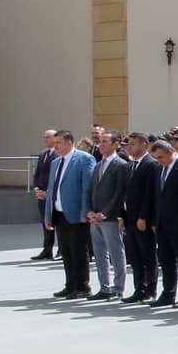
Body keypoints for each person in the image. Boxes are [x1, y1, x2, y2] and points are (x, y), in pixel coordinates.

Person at [45, 131, 95, 299]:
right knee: (65, 250)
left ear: (69, 143)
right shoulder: (55, 162)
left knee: (78, 250)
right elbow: (52, 189)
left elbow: (87, 188)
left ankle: (82, 286)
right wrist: (48, 214)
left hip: (76, 213)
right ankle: (70, 284)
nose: (55, 145)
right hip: (59, 212)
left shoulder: (84, 159)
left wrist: (85, 211)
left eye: (58, 142)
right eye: (54, 142)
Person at [86, 136, 131, 301]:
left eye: (105, 142)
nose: (101, 145)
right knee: (99, 253)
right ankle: (104, 287)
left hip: (109, 217)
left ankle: (118, 287)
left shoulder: (121, 165)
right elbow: (90, 190)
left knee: (115, 252)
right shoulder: (98, 165)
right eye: (100, 142)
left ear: (116, 144)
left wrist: (104, 213)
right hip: (95, 218)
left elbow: (119, 193)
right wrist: (89, 211)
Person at [151, 139, 178, 307]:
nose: (159, 161)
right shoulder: (159, 169)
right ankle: (168, 292)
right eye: (156, 158)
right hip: (162, 223)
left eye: (161, 157)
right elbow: (157, 196)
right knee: (166, 259)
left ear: (170, 152)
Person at [122, 133, 161, 302]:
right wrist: (120, 216)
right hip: (129, 218)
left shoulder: (151, 164)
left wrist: (144, 217)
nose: (128, 147)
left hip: (142, 219)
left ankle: (150, 290)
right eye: (128, 143)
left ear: (144, 145)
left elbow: (149, 194)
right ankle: (139, 289)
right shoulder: (131, 165)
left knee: (148, 255)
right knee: (135, 256)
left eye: (132, 143)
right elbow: (125, 194)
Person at [30, 129, 58, 262]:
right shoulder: (42, 154)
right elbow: (37, 174)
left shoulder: (58, 154)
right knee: (45, 222)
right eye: (44, 137)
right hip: (41, 195)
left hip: (52, 195)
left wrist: (48, 192)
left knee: (57, 222)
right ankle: (47, 250)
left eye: (48, 137)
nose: (45, 140)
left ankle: (61, 250)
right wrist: (37, 189)